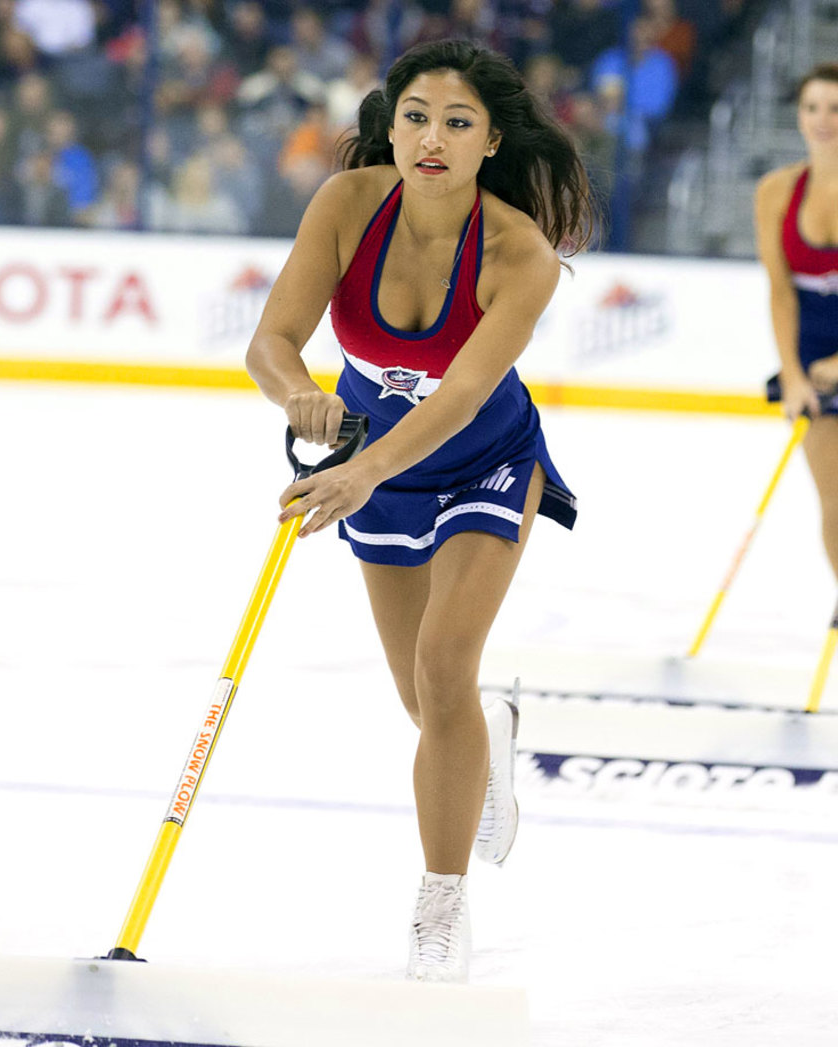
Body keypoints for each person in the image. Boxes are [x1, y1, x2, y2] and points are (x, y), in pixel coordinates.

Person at [244, 38, 595, 983]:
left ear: (489, 143)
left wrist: (363, 470)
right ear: (388, 126)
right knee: (427, 703)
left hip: (483, 460)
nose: (430, 139)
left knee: (445, 667)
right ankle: (494, 733)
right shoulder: (345, 205)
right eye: (414, 118)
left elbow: (464, 397)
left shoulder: (520, 253)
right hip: (378, 470)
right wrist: (299, 397)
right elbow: (272, 339)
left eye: (457, 123)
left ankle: (441, 907)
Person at [753, 63, 838, 580]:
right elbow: (780, 291)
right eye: (813, 107)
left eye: (835, 108)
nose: (823, 118)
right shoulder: (776, 191)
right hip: (813, 355)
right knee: (833, 496)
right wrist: (792, 372)